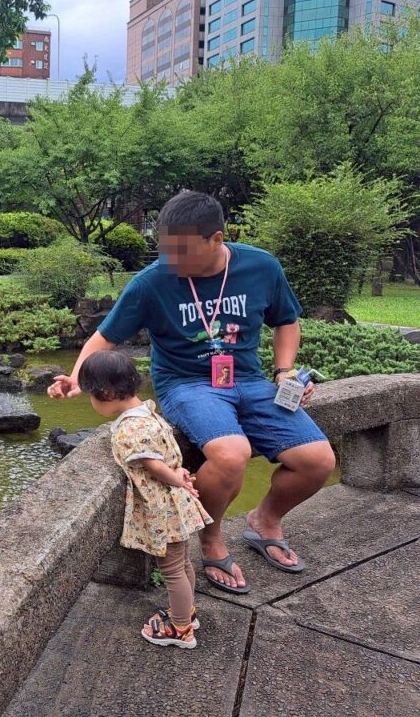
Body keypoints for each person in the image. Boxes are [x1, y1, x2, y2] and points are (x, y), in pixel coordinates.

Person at [49, 191, 336, 594]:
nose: (171, 262)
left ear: (216, 240)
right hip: (186, 383)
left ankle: (264, 520)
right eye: (165, 251)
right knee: (231, 454)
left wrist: (285, 371)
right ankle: (212, 537)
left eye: (181, 253)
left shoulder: (260, 266)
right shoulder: (152, 282)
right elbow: (103, 339)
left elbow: (286, 322)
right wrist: (77, 378)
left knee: (318, 460)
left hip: (251, 380)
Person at [80, 350, 211, 649]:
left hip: (164, 507)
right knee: (182, 562)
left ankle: (180, 630)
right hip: (177, 504)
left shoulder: (131, 427)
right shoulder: (149, 413)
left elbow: (152, 463)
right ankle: (186, 614)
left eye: (91, 395)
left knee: (172, 569)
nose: (91, 401)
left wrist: (175, 477)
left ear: (107, 392)